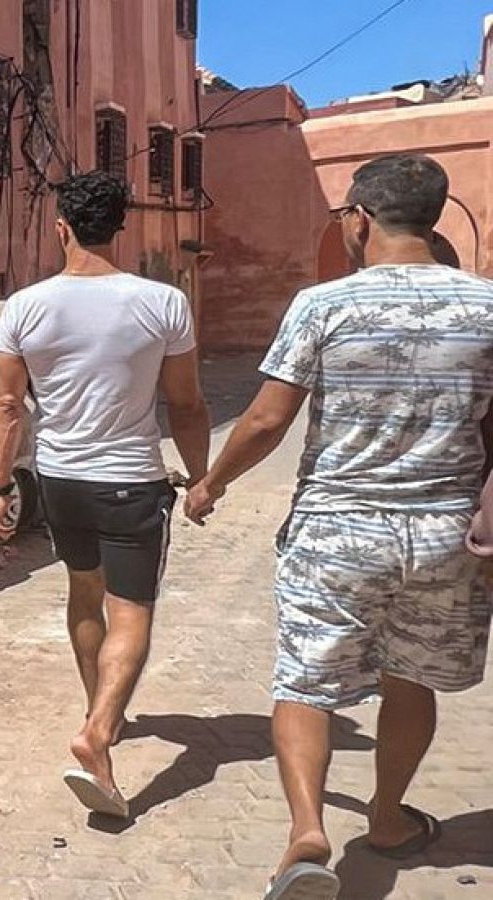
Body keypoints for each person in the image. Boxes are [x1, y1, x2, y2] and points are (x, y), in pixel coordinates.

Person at [185, 154, 493, 900]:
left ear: (357, 218)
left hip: (337, 530)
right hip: (446, 531)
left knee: (305, 679)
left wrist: (210, 484)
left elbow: (265, 419)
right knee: (411, 676)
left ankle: (307, 835)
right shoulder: (487, 306)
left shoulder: (324, 306)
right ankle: (386, 819)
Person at [0, 171, 212, 820]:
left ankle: (99, 716)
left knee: (84, 594)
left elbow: (7, 405)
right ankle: (99, 732)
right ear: (122, 227)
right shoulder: (163, 302)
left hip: (61, 480)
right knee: (132, 613)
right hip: (132, 481)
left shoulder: (25, 307)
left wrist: (0, 489)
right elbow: (188, 404)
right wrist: (199, 476)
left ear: (62, 229)